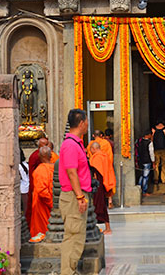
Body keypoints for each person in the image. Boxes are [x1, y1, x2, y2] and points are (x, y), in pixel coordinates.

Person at [59, 109, 91, 275]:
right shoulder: (70, 145)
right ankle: (67, 272)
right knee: (73, 237)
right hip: (73, 196)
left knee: (77, 236)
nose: (87, 124)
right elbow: (72, 172)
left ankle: (70, 270)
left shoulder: (75, 143)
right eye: (86, 121)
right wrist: (79, 197)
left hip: (77, 194)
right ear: (81, 123)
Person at [30, 146, 55, 243]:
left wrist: (51, 203)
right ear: (50, 156)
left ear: (40, 156)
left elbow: (42, 191)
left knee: (42, 230)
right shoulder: (55, 168)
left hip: (42, 205)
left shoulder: (40, 170)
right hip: (53, 202)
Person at [87, 130, 116, 207]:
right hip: (106, 166)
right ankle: (110, 201)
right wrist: (109, 165)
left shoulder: (91, 144)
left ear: (93, 135)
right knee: (107, 180)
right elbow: (110, 156)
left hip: (96, 169)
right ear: (101, 135)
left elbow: (90, 157)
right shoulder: (106, 143)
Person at [25, 137, 50, 227]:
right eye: (46, 144)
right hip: (38, 186)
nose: (48, 146)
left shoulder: (40, 158)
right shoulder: (36, 157)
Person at [89, 141, 112, 234]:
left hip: (98, 184)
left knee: (99, 206)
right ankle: (103, 227)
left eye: (90, 149)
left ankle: (108, 228)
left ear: (94, 149)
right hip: (103, 183)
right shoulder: (105, 156)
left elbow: (96, 172)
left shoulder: (97, 157)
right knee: (100, 206)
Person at [137, 130, 155, 196]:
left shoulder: (140, 141)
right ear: (148, 135)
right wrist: (153, 162)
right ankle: (144, 191)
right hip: (147, 160)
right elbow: (151, 153)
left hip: (141, 160)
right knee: (145, 176)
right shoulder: (149, 143)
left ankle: (139, 188)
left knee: (142, 175)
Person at [19, 148, 30, 215]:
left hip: (22, 188)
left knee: (25, 207)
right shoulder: (25, 164)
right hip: (27, 186)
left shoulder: (19, 166)